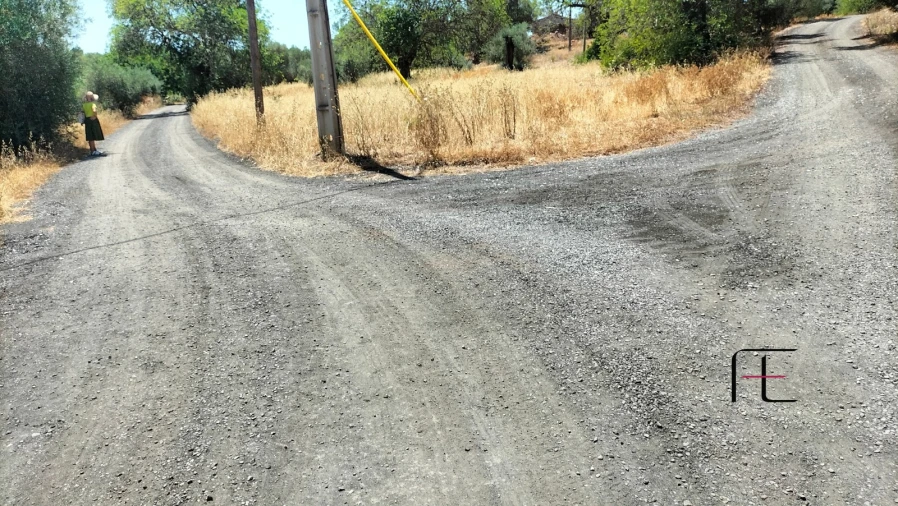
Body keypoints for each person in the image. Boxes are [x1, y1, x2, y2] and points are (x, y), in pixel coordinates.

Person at [82, 91, 105, 156]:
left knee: (89, 136)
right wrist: (94, 116)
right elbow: (94, 110)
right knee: (93, 135)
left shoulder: (84, 105)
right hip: (92, 120)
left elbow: (82, 113)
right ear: (92, 98)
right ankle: (94, 151)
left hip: (87, 120)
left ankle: (93, 150)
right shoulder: (92, 104)